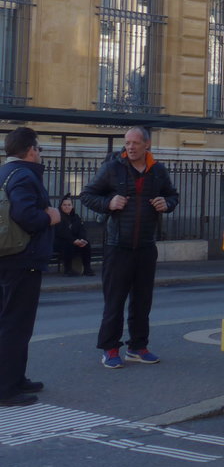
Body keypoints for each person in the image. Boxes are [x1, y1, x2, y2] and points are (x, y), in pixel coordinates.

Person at [81, 126, 178, 369]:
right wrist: (108, 202)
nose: (130, 147)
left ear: (147, 145)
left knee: (142, 301)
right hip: (118, 246)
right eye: (127, 143)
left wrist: (166, 203)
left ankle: (138, 347)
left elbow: (174, 196)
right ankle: (110, 349)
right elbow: (86, 195)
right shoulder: (113, 168)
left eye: (135, 143)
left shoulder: (157, 170)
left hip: (146, 246)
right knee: (114, 301)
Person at [0, 126, 61, 407]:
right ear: (30, 150)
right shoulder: (24, 175)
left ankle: (15, 377)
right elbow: (26, 215)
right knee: (17, 323)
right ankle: (6, 388)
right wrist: (49, 217)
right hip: (21, 259)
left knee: (10, 321)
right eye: (38, 148)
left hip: (6, 255)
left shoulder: (4, 172)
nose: (39, 153)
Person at [53, 194, 93, 276]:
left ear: (72, 206)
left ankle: (87, 269)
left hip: (76, 241)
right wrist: (74, 240)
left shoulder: (76, 217)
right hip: (59, 242)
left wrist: (82, 239)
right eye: (64, 205)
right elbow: (62, 232)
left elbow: (82, 229)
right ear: (60, 206)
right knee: (68, 244)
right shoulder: (57, 216)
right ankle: (68, 270)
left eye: (69, 205)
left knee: (86, 243)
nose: (67, 207)